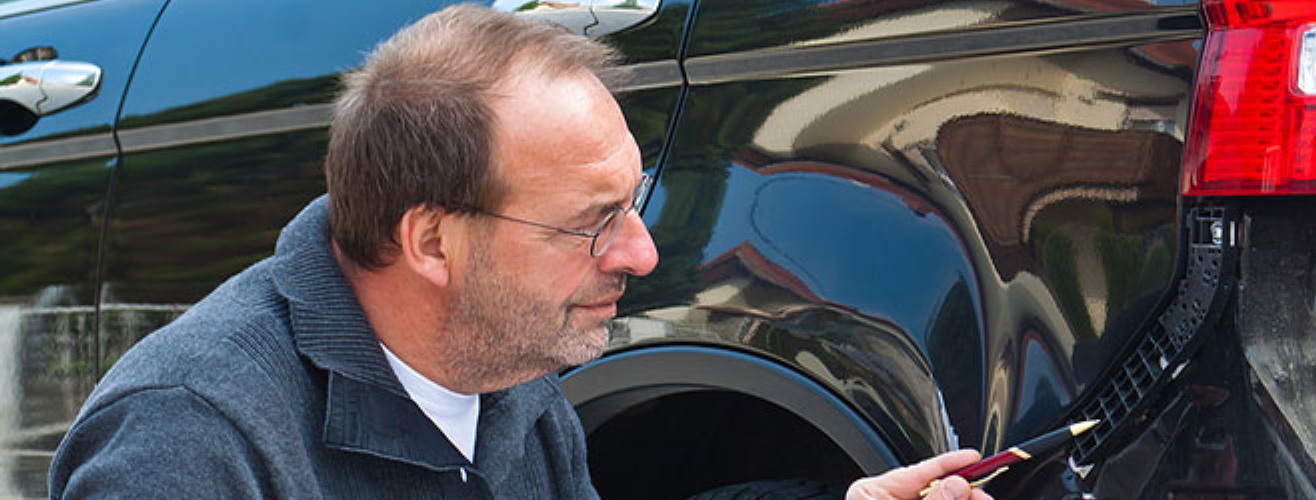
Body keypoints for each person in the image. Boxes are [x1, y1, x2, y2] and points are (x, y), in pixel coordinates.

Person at [47, 5, 993, 500]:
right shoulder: (188, 442)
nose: (642, 254)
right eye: (590, 221)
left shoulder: (504, 366)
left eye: (632, 204)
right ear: (431, 240)